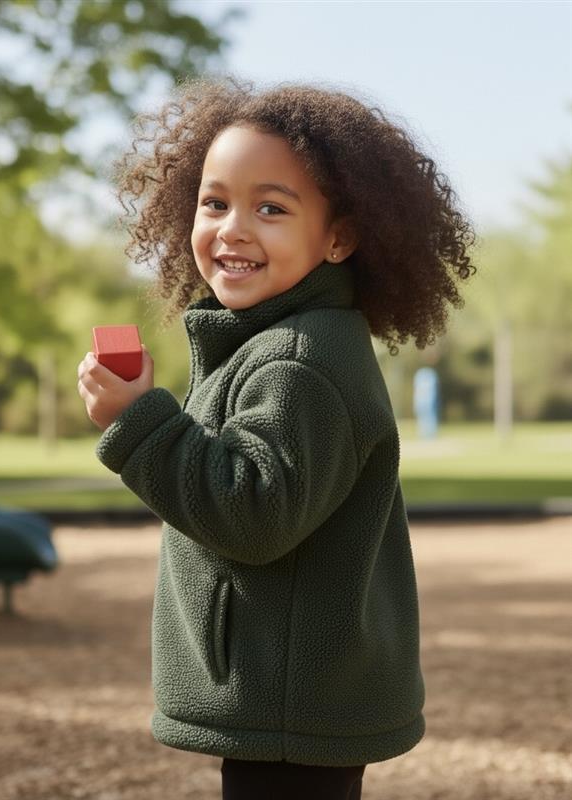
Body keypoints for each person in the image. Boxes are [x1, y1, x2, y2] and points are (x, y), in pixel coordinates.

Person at [77, 77, 477, 799]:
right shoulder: (282, 342)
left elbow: (252, 513)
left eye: (271, 208)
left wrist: (137, 422)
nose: (233, 227)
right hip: (293, 701)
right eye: (215, 201)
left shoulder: (299, 360)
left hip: (292, 710)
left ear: (338, 237)